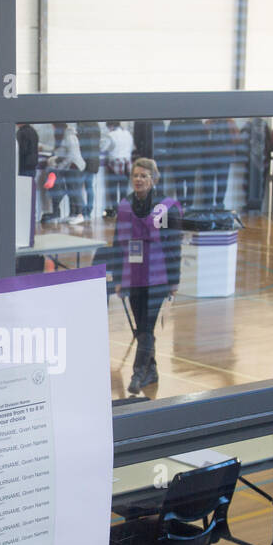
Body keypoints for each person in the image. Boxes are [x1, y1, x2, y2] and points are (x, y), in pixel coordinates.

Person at [114, 158, 183, 393]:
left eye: (144, 176)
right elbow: (117, 244)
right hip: (133, 277)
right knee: (142, 327)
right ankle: (151, 370)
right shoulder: (124, 207)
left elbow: (174, 246)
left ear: (153, 179)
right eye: (135, 175)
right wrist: (117, 279)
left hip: (158, 278)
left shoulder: (166, 206)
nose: (139, 179)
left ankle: (137, 374)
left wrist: (174, 281)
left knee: (145, 327)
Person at [46, 122, 85, 224]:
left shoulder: (69, 136)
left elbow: (72, 155)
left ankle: (79, 214)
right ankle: (72, 214)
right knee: (71, 191)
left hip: (74, 167)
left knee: (75, 191)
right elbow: (60, 150)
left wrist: (60, 166)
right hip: (69, 167)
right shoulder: (65, 136)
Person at [101, 121, 134, 216]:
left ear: (110, 126)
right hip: (126, 164)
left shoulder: (110, 135)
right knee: (124, 190)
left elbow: (103, 148)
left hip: (114, 164)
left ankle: (115, 211)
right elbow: (131, 148)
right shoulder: (127, 134)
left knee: (113, 190)